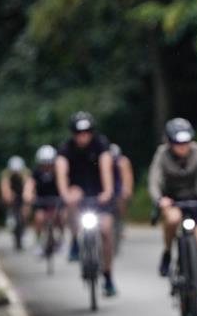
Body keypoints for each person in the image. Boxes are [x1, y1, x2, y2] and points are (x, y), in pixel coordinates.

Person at [147, 118, 197, 316]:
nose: (183, 147)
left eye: (186, 142)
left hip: (195, 201)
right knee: (171, 219)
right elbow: (154, 181)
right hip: (172, 201)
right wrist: (159, 199)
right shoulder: (162, 155)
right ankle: (167, 252)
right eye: (178, 143)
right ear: (170, 142)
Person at [56, 111, 118, 297]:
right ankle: (75, 240)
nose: (82, 136)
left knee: (106, 230)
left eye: (86, 132)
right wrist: (65, 193)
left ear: (91, 132)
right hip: (78, 191)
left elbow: (106, 167)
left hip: (99, 193)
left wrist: (107, 191)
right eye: (78, 133)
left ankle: (107, 276)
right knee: (72, 200)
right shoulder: (66, 149)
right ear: (73, 134)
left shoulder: (101, 144)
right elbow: (61, 172)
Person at [24, 145, 64, 257]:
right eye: (44, 163)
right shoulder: (36, 172)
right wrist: (28, 194)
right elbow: (29, 184)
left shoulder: (58, 171)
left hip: (56, 199)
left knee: (59, 217)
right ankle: (38, 243)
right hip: (41, 200)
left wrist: (65, 195)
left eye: (49, 163)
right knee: (39, 218)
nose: (47, 166)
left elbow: (65, 183)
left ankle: (60, 239)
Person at [0, 156, 30, 249]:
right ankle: (11, 218)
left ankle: (24, 225)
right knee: (11, 208)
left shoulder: (25, 172)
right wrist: (7, 195)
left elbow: (28, 184)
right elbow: (5, 185)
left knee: (25, 212)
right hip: (13, 194)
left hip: (22, 193)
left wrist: (27, 196)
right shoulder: (6, 173)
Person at [109, 143, 135, 249]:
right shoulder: (101, 161)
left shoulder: (122, 162)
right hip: (106, 188)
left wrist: (127, 190)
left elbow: (127, 177)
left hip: (118, 188)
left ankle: (120, 222)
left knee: (122, 199)